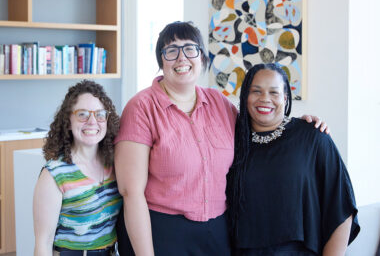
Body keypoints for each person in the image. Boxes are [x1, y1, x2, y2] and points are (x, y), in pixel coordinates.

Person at [114, 21, 327, 256]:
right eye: (171, 51)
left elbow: (257, 129)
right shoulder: (141, 107)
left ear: (202, 57)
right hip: (161, 231)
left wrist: (297, 125)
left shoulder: (218, 102)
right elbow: (131, 192)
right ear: (161, 61)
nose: (181, 58)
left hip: (216, 233)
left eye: (190, 49)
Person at [226, 63, 360, 256]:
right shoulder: (230, 141)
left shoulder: (313, 137)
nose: (265, 99)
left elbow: (342, 208)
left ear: (285, 98)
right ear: (245, 96)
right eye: (256, 91)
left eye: (274, 92)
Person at [33, 80, 122, 256]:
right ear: (68, 120)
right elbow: (43, 242)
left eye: (100, 114)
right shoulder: (54, 174)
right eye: (82, 114)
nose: (92, 121)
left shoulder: (114, 163)